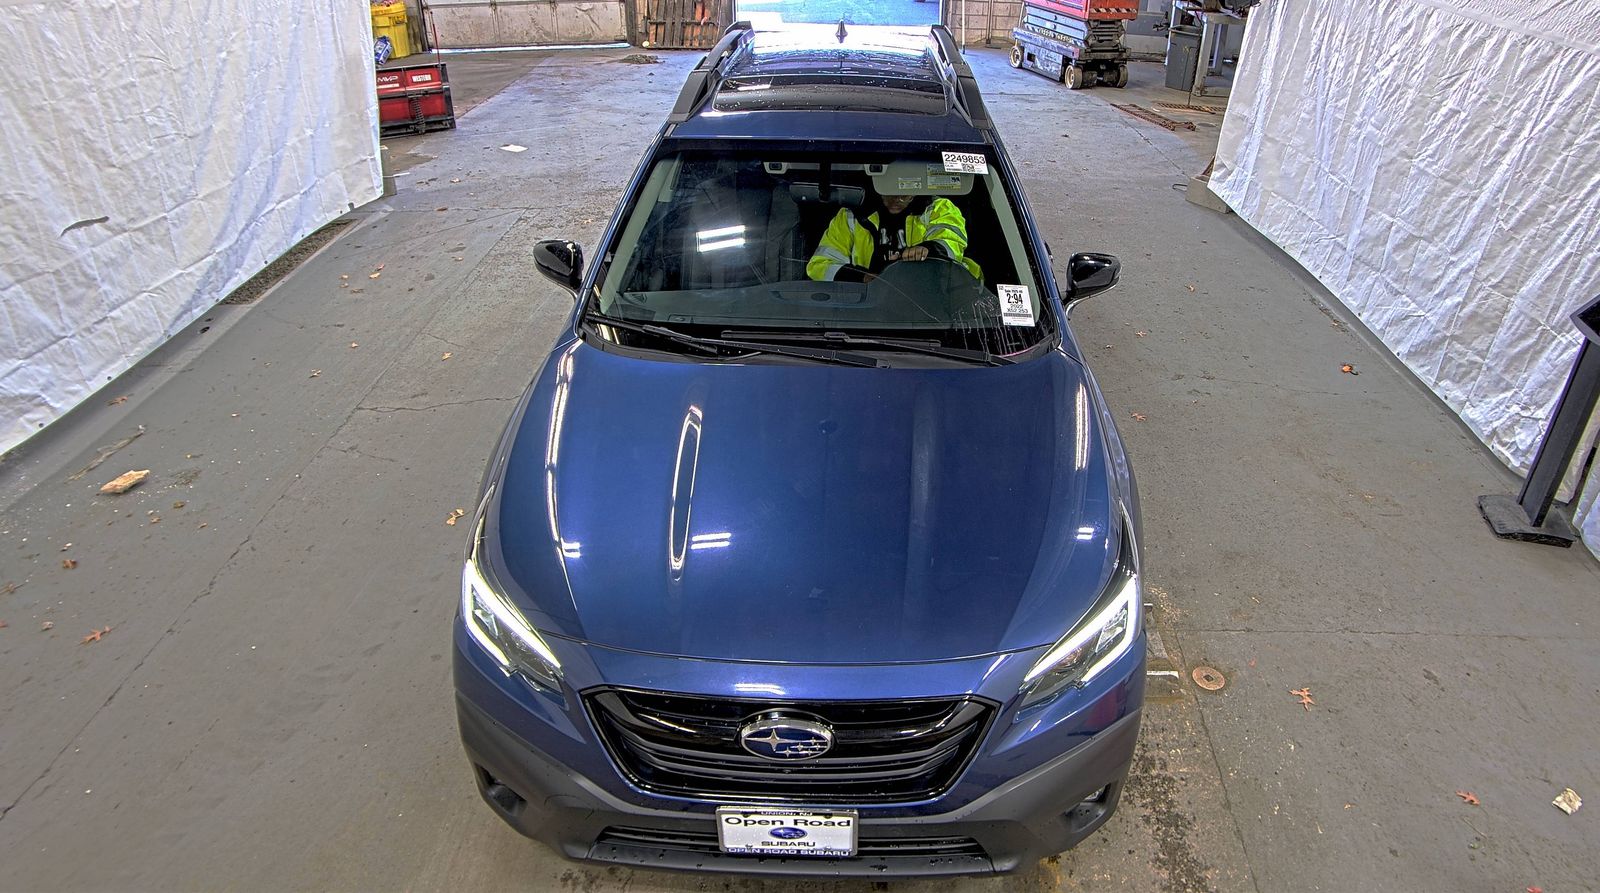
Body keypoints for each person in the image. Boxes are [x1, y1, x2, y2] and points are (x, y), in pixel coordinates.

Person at [806, 190, 981, 283]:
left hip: (931, 305)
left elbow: (951, 244)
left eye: (905, 193)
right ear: (877, 188)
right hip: (864, 309)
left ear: (917, 187)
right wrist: (863, 278)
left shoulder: (938, 208)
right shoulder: (851, 216)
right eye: (889, 191)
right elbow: (820, 265)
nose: (896, 199)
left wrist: (928, 249)